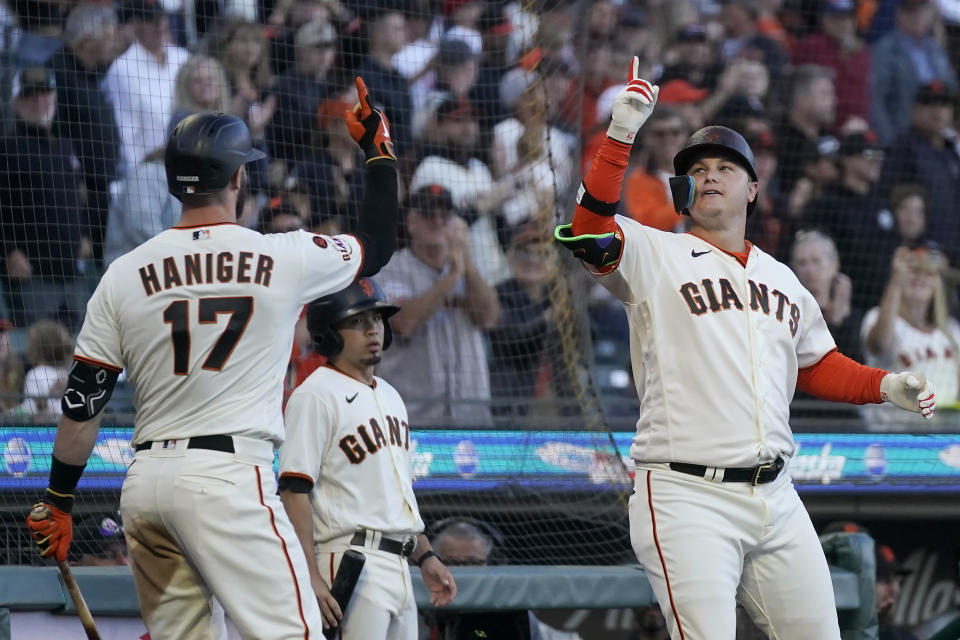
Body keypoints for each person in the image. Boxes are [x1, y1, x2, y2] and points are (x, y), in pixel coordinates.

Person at [554, 56, 936, 640]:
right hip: (686, 494)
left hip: (777, 497)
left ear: (753, 187)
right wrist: (621, 134)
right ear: (682, 188)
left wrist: (884, 385)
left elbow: (817, 365)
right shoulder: (655, 252)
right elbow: (587, 228)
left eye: (726, 167)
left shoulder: (782, 277)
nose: (710, 175)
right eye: (698, 168)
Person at [25, 78, 400, 639]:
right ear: (239, 176)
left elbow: (82, 404)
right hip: (228, 478)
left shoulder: (123, 273)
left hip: (146, 487)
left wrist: (57, 499)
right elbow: (377, 242)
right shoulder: (283, 254)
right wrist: (378, 152)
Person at [278, 278, 457, 638]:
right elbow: (294, 490)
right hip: (349, 559)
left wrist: (426, 556)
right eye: (358, 322)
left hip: (400, 564)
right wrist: (308, 574)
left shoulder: (391, 395)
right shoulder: (314, 394)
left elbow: (398, 495)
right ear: (330, 334)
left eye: (376, 319)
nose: (372, 329)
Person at [376, 185, 499, 426]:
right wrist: (451, 278)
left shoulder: (469, 269)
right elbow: (404, 323)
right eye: (428, 214)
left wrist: (466, 263)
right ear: (411, 222)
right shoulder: (390, 270)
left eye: (445, 215)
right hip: (410, 419)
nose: (437, 221)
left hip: (471, 415)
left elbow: (489, 317)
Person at [861, 244, 960, 430]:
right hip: (893, 438)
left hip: (945, 438)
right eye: (913, 271)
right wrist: (896, 278)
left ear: (936, 284)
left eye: (927, 273)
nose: (920, 277)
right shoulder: (877, 318)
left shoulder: (951, 331)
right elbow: (878, 344)